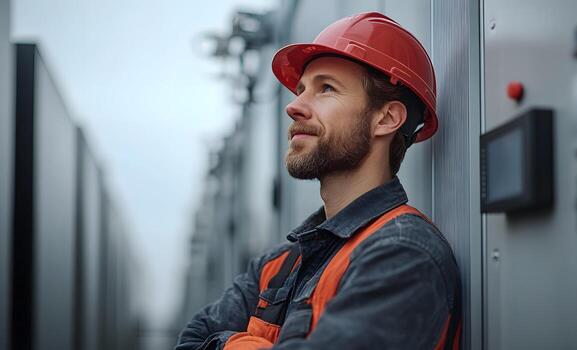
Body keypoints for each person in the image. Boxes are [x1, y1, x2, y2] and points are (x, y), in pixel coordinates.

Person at [176, 12, 461, 350]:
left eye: (326, 88)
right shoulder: (280, 262)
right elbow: (191, 340)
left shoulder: (403, 254)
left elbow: (206, 341)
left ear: (385, 118)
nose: (294, 106)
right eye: (300, 90)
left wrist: (227, 343)